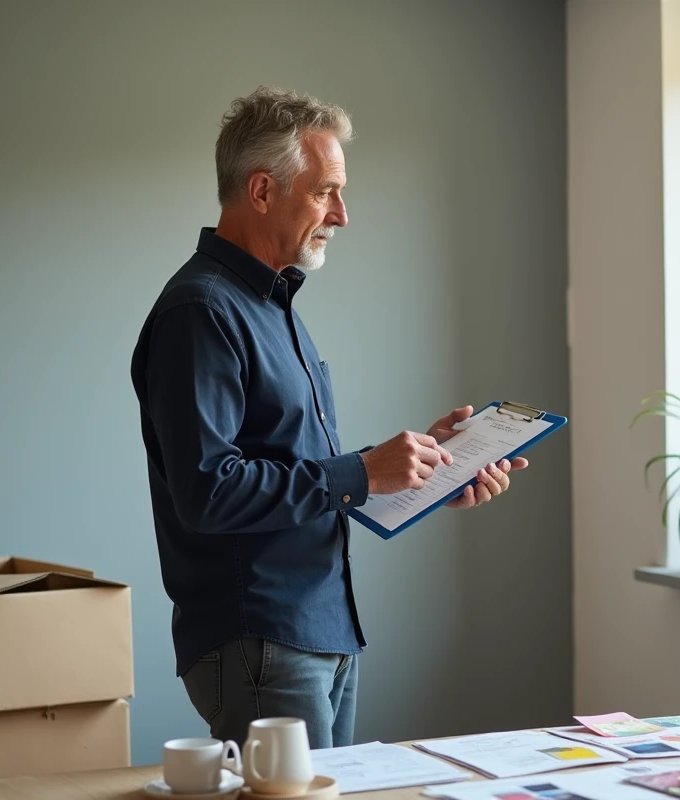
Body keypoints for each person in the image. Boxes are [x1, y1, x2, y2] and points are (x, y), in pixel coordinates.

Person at [130, 86, 528, 750]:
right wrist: (362, 472)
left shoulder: (270, 303)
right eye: (326, 192)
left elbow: (302, 473)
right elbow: (210, 490)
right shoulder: (201, 311)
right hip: (263, 640)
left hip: (316, 631)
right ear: (261, 191)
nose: (342, 215)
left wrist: (425, 468)